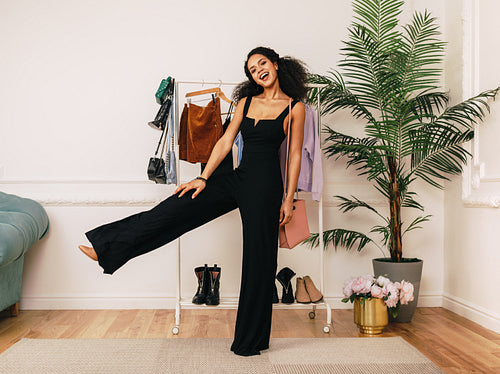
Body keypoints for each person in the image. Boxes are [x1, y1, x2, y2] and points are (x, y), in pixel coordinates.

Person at [79, 46, 307, 356]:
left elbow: (294, 156)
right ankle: (108, 248)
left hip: (266, 189)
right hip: (238, 178)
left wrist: (288, 199)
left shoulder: (295, 108)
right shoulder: (245, 102)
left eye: (262, 64)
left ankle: (250, 342)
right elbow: (226, 141)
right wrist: (203, 178)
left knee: (259, 260)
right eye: (253, 69)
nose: (259, 71)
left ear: (277, 65)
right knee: (176, 207)